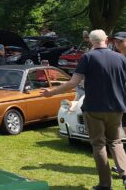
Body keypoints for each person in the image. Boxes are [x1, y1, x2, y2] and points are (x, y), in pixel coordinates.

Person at [42, 29, 126, 189]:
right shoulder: (121, 58)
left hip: (94, 108)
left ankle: (105, 184)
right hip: (116, 107)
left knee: (99, 145)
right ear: (107, 40)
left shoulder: (87, 57)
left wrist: (50, 92)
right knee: (116, 141)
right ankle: (125, 174)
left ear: (90, 41)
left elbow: (73, 83)